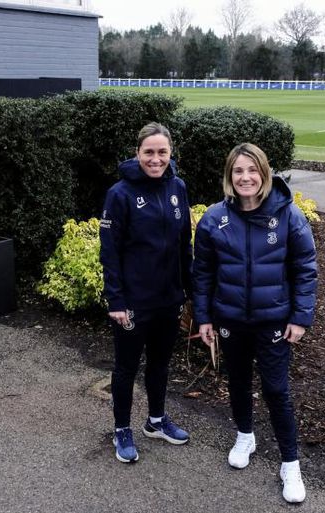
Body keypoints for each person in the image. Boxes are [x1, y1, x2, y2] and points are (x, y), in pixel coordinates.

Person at [192, 143, 317, 503]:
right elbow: (202, 273)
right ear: (229, 176)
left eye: (252, 170)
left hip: (272, 321)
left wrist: (300, 317)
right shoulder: (215, 218)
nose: (245, 177)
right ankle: (245, 436)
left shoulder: (288, 215)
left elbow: (305, 269)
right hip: (231, 319)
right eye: (238, 171)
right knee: (238, 382)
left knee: (277, 390)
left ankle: (290, 464)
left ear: (264, 173)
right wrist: (204, 317)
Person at [99, 122, 192, 463]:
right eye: (149, 152)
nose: (156, 159)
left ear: (171, 153)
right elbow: (109, 252)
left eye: (162, 152)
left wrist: (190, 291)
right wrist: (116, 299)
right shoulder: (120, 194)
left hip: (168, 298)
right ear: (137, 153)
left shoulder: (178, 187)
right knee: (126, 368)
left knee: (160, 364)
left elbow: (185, 244)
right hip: (134, 302)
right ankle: (122, 429)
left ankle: (156, 421)